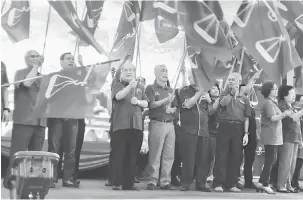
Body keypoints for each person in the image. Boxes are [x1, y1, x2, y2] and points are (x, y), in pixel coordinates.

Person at [3, 51, 46, 189]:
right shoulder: (20, 73)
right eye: (32, 56)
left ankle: (31, 182)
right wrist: (35, 67)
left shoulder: (44, 77)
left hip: (40, 122)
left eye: (37, 56)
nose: (35, 58)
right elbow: (27, 83)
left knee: (36, 155)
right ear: (25, 59)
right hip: (24, 120)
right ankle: (11, 181)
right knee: (18, 154)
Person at [111, 61, 148, 190]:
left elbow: (146, 103)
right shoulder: (117, 85)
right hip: (121, 125)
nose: (128, 72)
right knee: (120, 154)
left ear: (134, 72)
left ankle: (129, 183)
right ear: (121, 73)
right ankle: (117, 182)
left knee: (133, 155)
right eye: (125, 70)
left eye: (130, 70)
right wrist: (129, 87)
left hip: (136, 125)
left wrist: (138, 101)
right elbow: (118, 96)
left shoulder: (140, 87)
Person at [213, 72, 250, 193]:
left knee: (235, 156)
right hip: (224, 126)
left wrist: (245, 133)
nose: (231, 81)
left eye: (233, 79)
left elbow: (246, 117)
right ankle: (219, 182)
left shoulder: (244, 98)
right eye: (229, 79)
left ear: (239, 81)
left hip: (238, 128)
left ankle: (232, 183)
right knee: (221, 155)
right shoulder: (223, 94)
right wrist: (231, 94)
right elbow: (222, 104)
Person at [176, 68, 212, 192]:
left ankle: (201, 183)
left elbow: (211, 112)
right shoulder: (184, 91)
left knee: (203, 159)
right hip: (189, 130)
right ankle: (186, 182)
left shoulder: (205, 92)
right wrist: (199, 93)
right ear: (190, 78)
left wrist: (209, 100)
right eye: (194, 77)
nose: (197, 79)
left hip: (203, 130)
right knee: (188, 158)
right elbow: (188, 104)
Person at [48, 52, 79, 188]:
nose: (71, 61)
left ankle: (68, 179)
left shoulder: (78, 78)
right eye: (68, 59)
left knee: (71, 150)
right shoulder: (55, 76)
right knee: (54, 148)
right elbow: (49, 94)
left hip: (72, 117)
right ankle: (51, 178)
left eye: (73, 59)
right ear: (61, 62)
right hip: (57, 117)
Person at [145, 64, 177, 190]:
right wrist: (165, 101)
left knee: (169, 154)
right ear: (156, 73)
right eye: (163, 70)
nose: (165, 72)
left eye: (166, 70)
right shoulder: (150, 88)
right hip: (157, 123)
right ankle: (152, 180)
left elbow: (176, 108)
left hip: (170, 124)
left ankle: (165, 181)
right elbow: (151, 105)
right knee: (155, 153)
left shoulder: (171, 90)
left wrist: (173, 109)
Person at [256, 81, 292, 194]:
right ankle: (264, 183)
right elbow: (272, 118)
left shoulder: (273, 102)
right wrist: (284, 114)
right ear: (268, 91)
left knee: (272, 160)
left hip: (274, 136)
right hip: (270, 135)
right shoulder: (268, 103)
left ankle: (262, 182)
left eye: (276, 88)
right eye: (274, 89)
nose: (276, 90)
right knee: (270, 160)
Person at [276, 85, 303, 193]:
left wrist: (300, 139)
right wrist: (301, 112)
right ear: (284, 95)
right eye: (291, 94)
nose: (293, 96)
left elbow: (297, 124)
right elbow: (293, 118)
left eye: (294, 94)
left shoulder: (291, 107)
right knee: (285, 162)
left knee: (292, 164)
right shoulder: (282, 105)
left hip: (295, 137)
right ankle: (281, 185)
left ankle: (288, 184)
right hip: (287, 137)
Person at [207, 83, 221, 183]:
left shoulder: (222, 101)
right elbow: (210, 112)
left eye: (217, 88)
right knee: (210, 154)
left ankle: (217, 175)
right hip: (210, 131)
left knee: (220, 155)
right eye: (213, 88)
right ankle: (209, 174)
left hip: (221, 132)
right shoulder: (207, 101)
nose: (216, 90)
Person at [291, 94, 303, 192]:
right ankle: (293, 183)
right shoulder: (295, 111)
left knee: (299, 162)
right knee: (297, 163)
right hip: (298, 140)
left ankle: (295, 183)